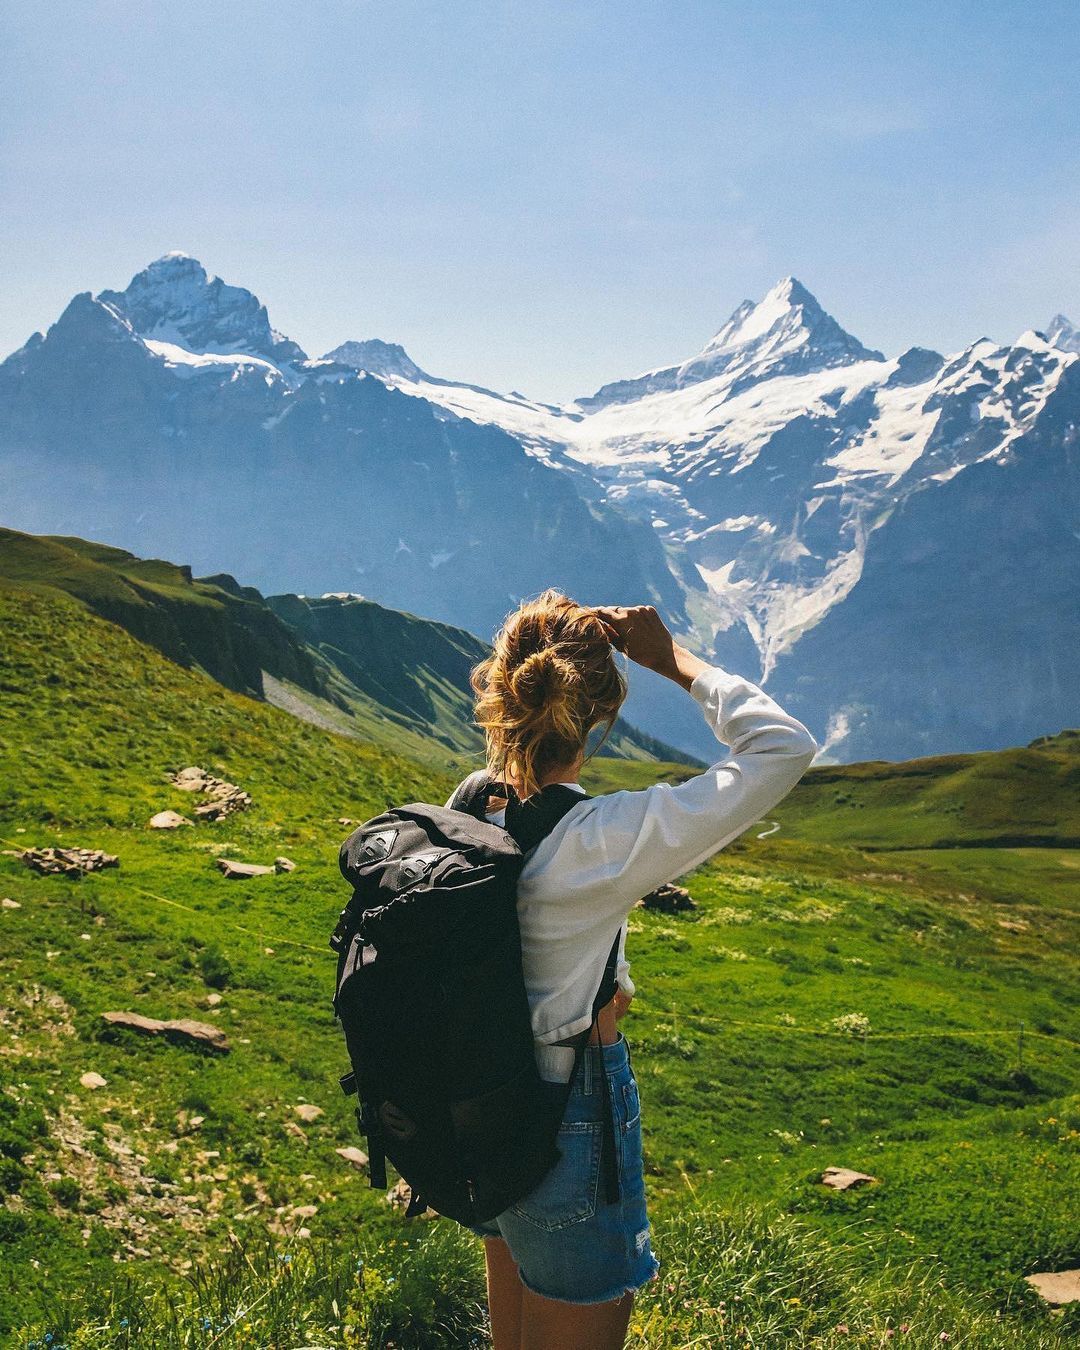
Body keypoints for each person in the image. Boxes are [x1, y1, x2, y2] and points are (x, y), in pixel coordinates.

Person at [452, 589, 818, 1350]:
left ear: (500, 692)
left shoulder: (467, 810)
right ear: (599, 720)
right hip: (566, 1107)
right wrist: (676, 661)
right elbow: (782, 749)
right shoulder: (600, 841)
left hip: (476, 1099)